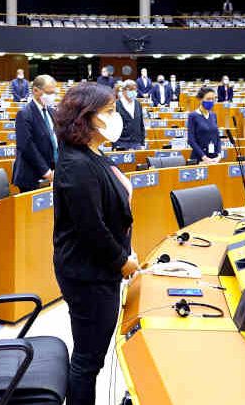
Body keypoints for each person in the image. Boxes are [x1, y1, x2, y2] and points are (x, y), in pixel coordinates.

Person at [53, 82, 139, 405]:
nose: (116, 117)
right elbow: (93, 229)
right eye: (109, 111)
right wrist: (122, 260)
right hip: (87, 274)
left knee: (90, 358)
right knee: (88, 361)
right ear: (86, 117)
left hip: (97, 270)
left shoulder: (93, 153)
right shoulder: (76, 164)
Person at [13, 75, 59, 192]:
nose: (52, 96)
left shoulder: (52, 112)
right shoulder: (24, 114)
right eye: (48, 93)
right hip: (31, 176)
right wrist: (45, 171)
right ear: (35, 90)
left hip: (53, 172)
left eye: (54, 92)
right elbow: (26, 146)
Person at [187, 87, 222, 164]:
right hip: (199, 158)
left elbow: (217, 137)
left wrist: (219, 154)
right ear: (200, 99)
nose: (211, 101)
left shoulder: (213, 115)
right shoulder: (193, 116)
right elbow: (191, 140)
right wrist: (204, 158)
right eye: (208, 99)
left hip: (214, 158)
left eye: (213, 99)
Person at [113, 80, 145, 150]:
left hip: (137, 143)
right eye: (131, 90)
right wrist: (115, 145)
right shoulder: (116, 105)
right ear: (124, 91)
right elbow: (113, 127)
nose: (134, 92)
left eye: (135, 90)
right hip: (121, 143)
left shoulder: (138, 104)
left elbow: (141, 124)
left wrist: (142, 143)